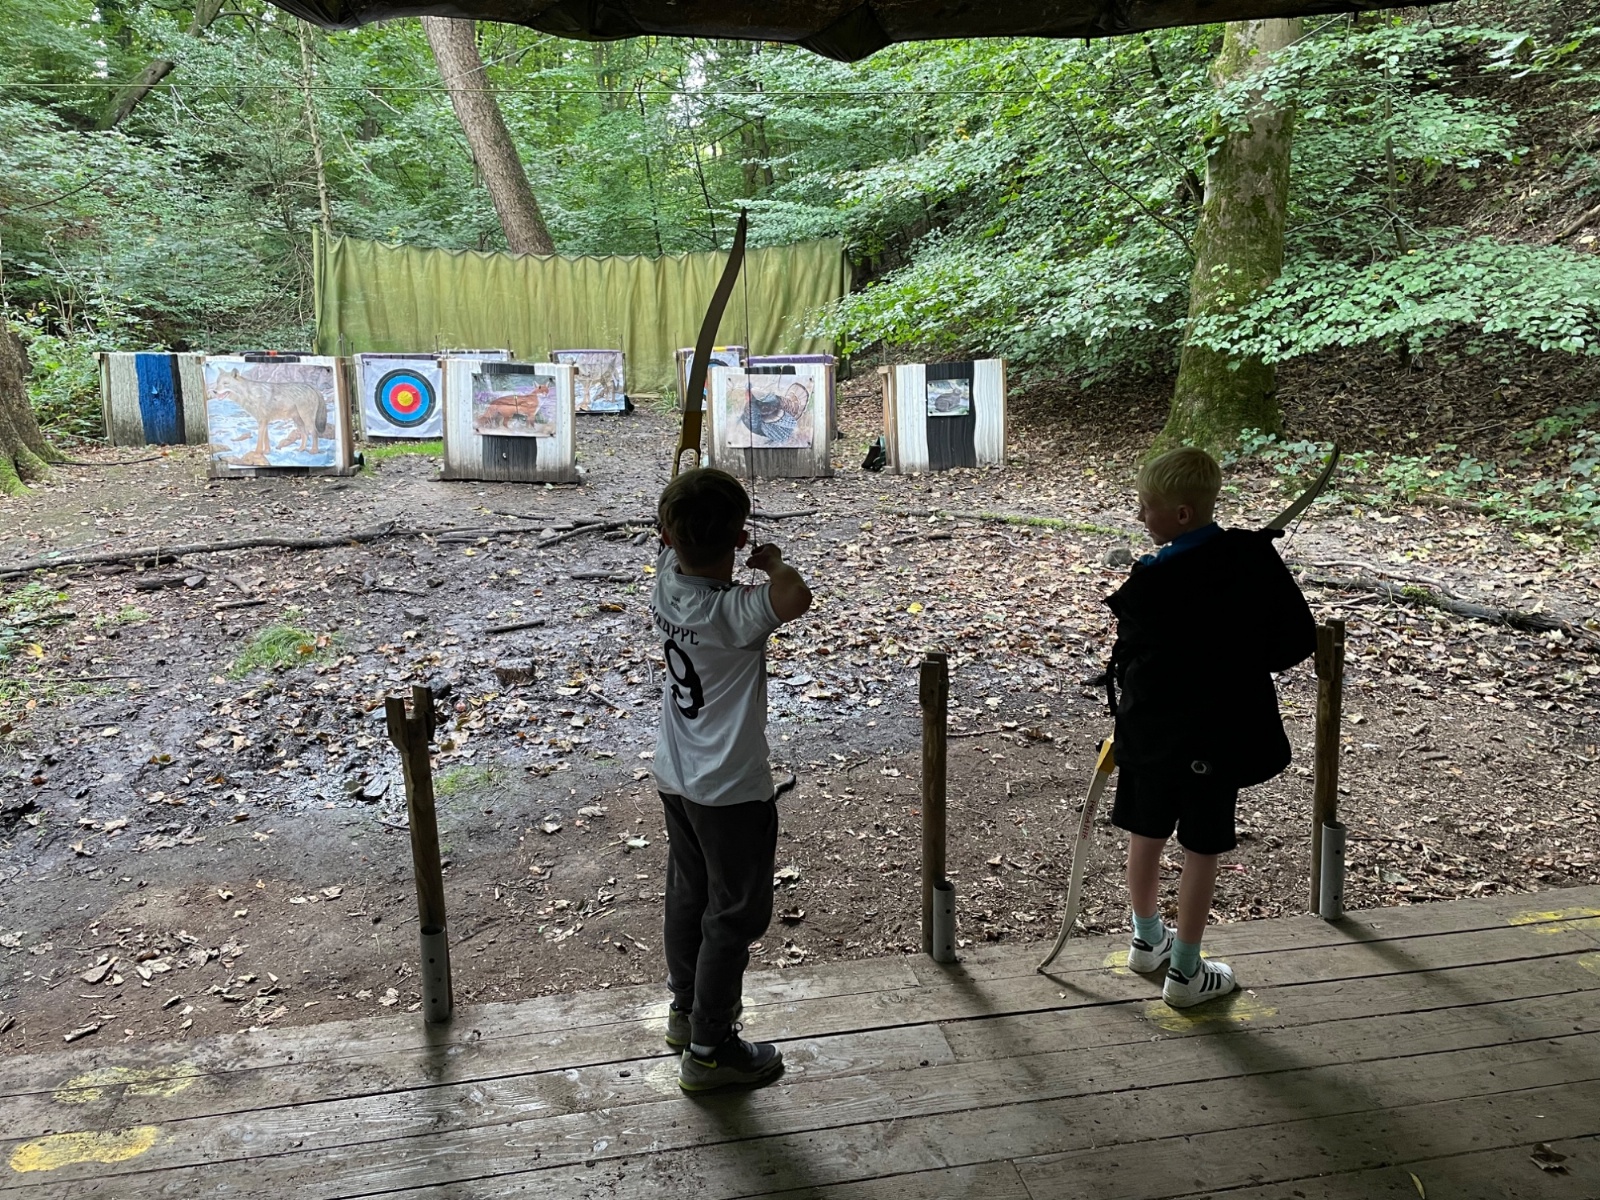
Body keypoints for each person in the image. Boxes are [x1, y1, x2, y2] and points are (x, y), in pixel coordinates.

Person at [1104, 447, 1315, 1007]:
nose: (1140, 515)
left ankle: (1159, 951)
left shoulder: (1156, 576)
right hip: (1211, 736)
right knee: (1197, 845)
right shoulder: (1239, 562)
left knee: (1154, 834)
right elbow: (1290, 641)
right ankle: (1176, 964)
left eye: (1147, 506)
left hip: (1157, 733)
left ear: (1181, 514)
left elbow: (1135, 653)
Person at [650, 467, 813, 1090]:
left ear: (668, 538)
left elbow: (676, 543)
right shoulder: (736, 612)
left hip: (677, 776)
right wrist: (772, 563)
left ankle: (686, 1011)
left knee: (690, 894)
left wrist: (674, 526)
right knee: (734, 913)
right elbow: (795, 596)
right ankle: (711, 1049)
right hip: (730, 790)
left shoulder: (665, 583)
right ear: (739, 537)